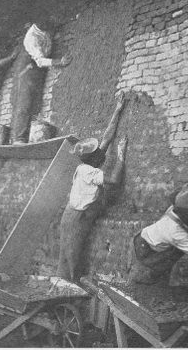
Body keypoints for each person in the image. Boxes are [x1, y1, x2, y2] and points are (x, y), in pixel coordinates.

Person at [56, 94, 129, 281]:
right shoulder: (87, 171)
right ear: (94, 158)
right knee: (71, 257)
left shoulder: (90, 163)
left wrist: (118, 110)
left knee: (69, 255)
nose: (102, 152)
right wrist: (121, 156)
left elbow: (107, 137)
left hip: (75, 214)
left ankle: (67, 285)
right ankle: (69, 289)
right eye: (98, 152)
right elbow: (113, 180)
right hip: (75, 219)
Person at [11, 20, 72, 144]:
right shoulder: (31, 37)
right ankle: (18, 138)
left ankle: (30, 136)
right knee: (25, 102)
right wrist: (59, 61)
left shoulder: (45, 28)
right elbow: (40, 61)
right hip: (27, 68)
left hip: (37, 70)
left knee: (35, 104)